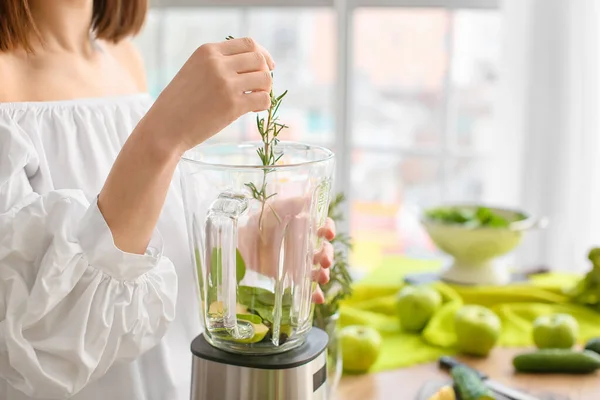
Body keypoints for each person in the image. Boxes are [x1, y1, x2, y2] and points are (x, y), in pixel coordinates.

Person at [0, 1, 336, 399]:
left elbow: (148, 243)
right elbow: (34, 341)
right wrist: (164, 135)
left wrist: (247, 244)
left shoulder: (122, 58)